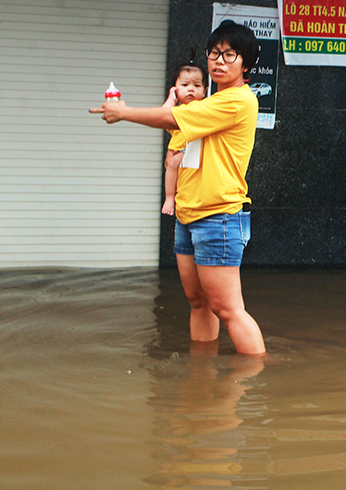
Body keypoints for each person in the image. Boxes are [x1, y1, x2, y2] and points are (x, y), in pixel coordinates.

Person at [91, 21, 265, 355]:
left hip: (219, 217)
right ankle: (201, 373)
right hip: (188, 213)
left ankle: (254, 380)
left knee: (228, 309)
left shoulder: (237, 101)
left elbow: (172, 121)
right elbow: (178, 139)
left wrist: (124, 112)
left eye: (230, 55)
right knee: (198, 302)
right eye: (214, 53)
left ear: (246, 64)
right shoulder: (207, 103)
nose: (219, 60)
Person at [162, 60, 208, 217]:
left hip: (190, 151)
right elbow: (162, 116)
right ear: (175, 88)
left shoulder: (203, 108)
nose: (190, 89)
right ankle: (169, 197)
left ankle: (170, 198)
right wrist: (171, 98)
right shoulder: (176, 110)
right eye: (184, 85)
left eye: (197, 86)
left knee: (173, 163)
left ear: (205, 90)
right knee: (171, 166)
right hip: (175, 152)